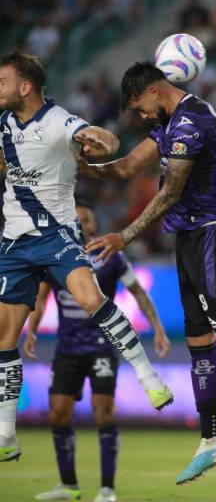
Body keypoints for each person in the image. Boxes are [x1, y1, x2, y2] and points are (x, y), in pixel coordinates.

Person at [75, 62, 216, 485]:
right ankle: (211, 440)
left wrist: (125, 235)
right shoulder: (168, 124)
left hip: (214, 232)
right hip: (189, 237)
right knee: (198, 341)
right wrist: (70, 160)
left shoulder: (193, 119)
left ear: (155, 91)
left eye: (139, 107)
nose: (140, 116)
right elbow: (122, 168)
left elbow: (170, 192)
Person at [0, 51, 172, 464]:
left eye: (3, 81)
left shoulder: (59, 121)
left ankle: (149, 376)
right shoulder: (4, 125)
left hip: (57, 233)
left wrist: (102, 141)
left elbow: (100, 137)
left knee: (91, 299)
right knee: (4, 340)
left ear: (25, 86)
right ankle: (6, 433)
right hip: (13, 243)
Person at [22, 197, 170, 502]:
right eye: (76, 219)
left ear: (93, 224)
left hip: (102, 347)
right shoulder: (56, 257)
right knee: (58, 415)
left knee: (104, 414)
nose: (82, 224)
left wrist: (157, 327)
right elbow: (41, 298)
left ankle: (106, 489)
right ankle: (68, 486)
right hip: (67, 350)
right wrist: (32, 330)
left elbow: (137, 291)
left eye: (86, 219)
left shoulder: (110, 257)